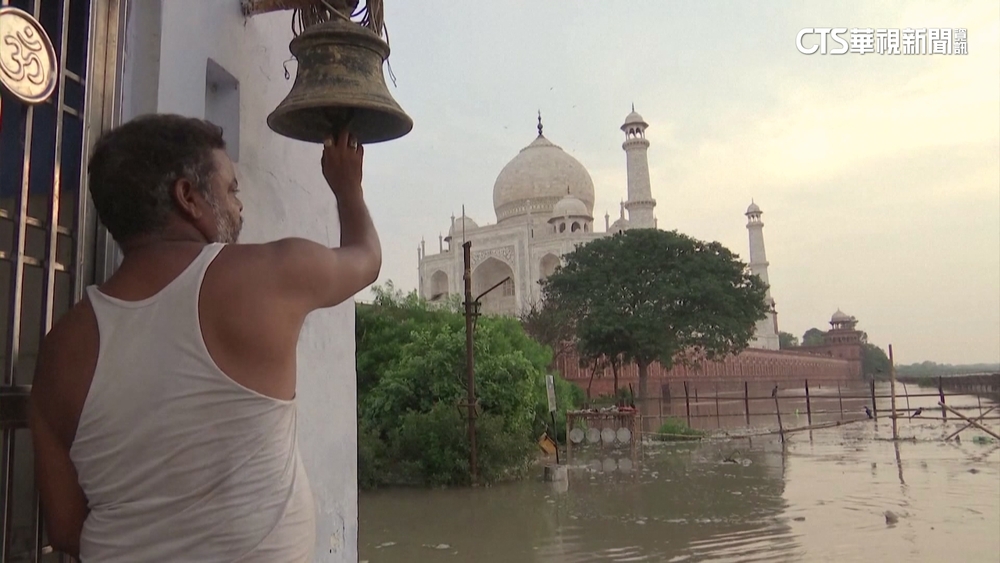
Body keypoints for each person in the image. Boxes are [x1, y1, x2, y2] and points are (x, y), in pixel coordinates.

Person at [28, 114, 380, 562]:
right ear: (188, 198)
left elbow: (63, 526)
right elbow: (365, 258)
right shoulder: (265, 276)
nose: (239, 207)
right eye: (230, 189)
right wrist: (348, 188)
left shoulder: (61, 347)